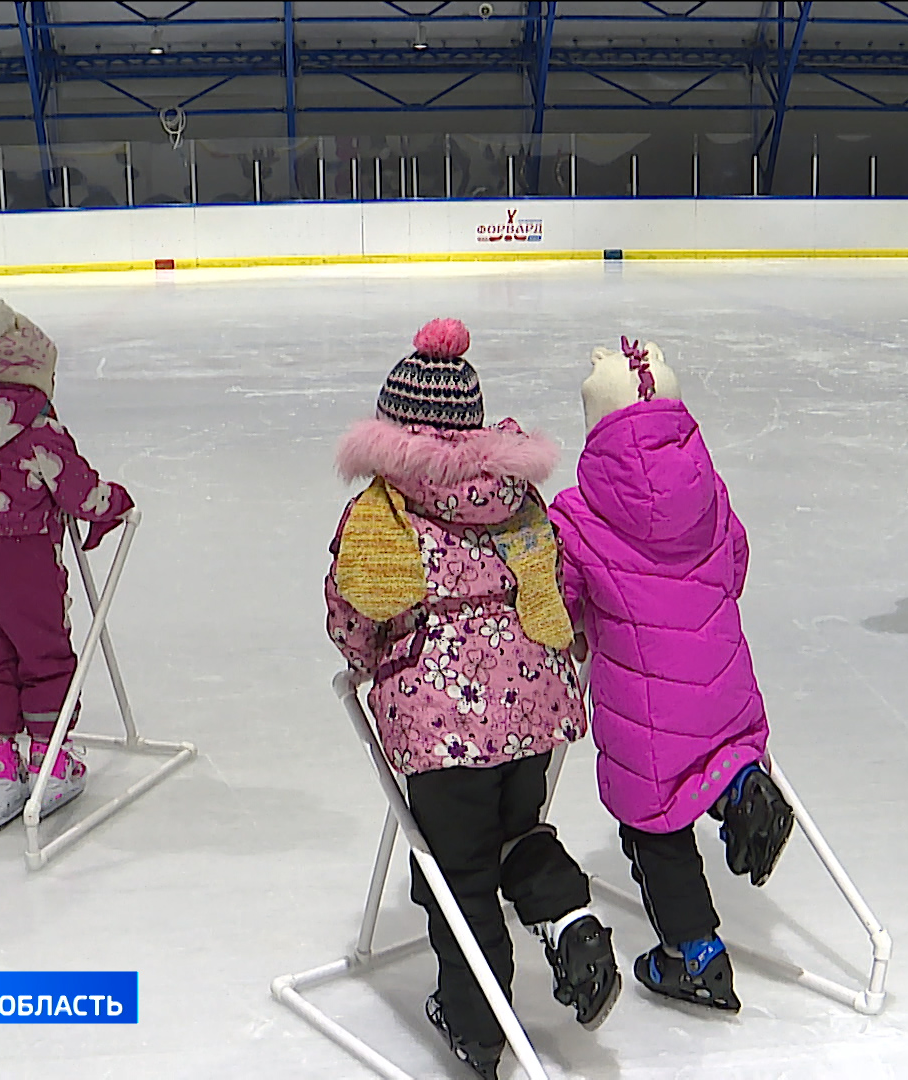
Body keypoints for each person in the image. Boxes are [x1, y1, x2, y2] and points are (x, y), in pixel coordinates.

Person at [324, 318, 618, 1078]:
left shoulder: (383, 512)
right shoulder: (518, 501)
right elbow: (548, 585)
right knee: (519, 832)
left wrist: (365, 665)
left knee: (458, 878)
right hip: (538, 712)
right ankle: (572, 920)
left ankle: (478, 1027)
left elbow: (355, 609)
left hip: (443, 731)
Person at [549, 338, 796, 1014]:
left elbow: (562, 607)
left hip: (647, 711)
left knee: (654, 827)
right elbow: (736, 563)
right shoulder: (709, 492)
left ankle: (694, 956)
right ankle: (743, 785)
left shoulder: (576, 515)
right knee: (718, 758)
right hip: (722, 678)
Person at [0, 299, 134, 831]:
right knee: (45, 657)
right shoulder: (40, 433)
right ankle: (50, 759)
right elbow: (80, 492)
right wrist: (117, 502)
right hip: (24, 560)